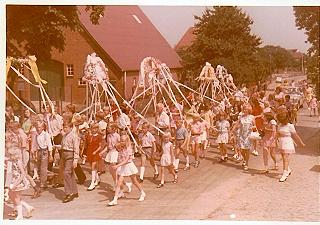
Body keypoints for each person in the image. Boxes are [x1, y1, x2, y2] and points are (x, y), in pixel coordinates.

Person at [108, 136, 146, 206]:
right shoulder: (120, 148)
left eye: (123, 140)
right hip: (123, 167)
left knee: (134, 181)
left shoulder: (129, 149)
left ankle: (142, 193)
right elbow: (120, 159)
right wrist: (116, 164)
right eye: (121, 140)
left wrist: (117, 166)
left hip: (129, 166)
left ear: (127, 140)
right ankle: (115, 200)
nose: (122, 142)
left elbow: (126, 161)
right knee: (119, 183)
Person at [5, 147, 34, 220]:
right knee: (13, 196)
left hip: (19, 182)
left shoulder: (18, 162)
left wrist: (16, 183)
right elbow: (9, 172)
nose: (10, 156)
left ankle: (20, 215)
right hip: (14, 181)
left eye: (11, 155)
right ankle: (28, 207)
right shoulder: (11, 161)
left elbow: (23, 174)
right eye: (10, 155)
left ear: (16, 155)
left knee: (16, 198)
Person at [276, 111, 305, 182]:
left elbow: (295, 135)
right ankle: (288, 169)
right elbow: (278, 134)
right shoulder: (279, 125)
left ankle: (285, 173)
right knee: (283, 157)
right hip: (281, 142)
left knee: (286, 157)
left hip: (287, 142)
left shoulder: (290, 126)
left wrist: (301, 143)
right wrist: (276, 140)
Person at [231, 104, 256, 171]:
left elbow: (255, 126)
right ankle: (244, 159)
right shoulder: (241, 117)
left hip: (248, 135)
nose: (244, 110)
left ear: (248, 110)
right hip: (241, 135)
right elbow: (237, 124)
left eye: (245, 109)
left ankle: (246, 163)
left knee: (247, 150)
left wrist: (251, 127)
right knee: (241, 149)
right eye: (243, 109)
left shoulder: (252, 117)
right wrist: (232, 130)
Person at [61, 122, 80, 203]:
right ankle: (75, 191)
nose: (65, 129)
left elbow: (76, 149)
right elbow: (64, 145)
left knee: (66, 173)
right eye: (64, 127)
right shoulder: (65, 136)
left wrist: (75, 160)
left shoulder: (74, 136)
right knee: (70, 174)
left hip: (70, 156)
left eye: (66, 127)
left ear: (71, 128)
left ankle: (69, 193)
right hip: (64, 154)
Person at [99, 123, 120, 190]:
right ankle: (118, 183)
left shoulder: (117, 136)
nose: (107, 130)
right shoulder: (108, 136)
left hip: (115, 152)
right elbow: (108, 146)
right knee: (111, 171)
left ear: (113, 129)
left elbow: (121, 145)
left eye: (109, 128)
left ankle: (117, 185)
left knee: (114, 169)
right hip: (110, 152)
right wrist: (102, 152)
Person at [35, 121, 53, 189]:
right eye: (37, 127)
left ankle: (43, 184)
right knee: (39, 168)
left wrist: (50, 155)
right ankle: (51, 176)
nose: (37, 128)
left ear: (42, 128)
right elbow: (36, 144)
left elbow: (49, 144)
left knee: (43, 168)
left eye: (39, 127)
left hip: (45, 151)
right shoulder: (37, 135)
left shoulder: (46, 135)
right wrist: (35, 153)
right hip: (39, 151)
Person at [86, 123, 103, 191]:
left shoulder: (99, 136)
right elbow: (87, 144)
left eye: (95, 128)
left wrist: (96, 151)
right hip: (90, 152)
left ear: (97, 129)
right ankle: (97, 178)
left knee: (93, 167)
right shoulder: (89, 136)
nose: (94, 130)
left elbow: (100, 146)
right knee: (93, 167)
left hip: (95, 152)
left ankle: (92, 183)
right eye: (92, 128)